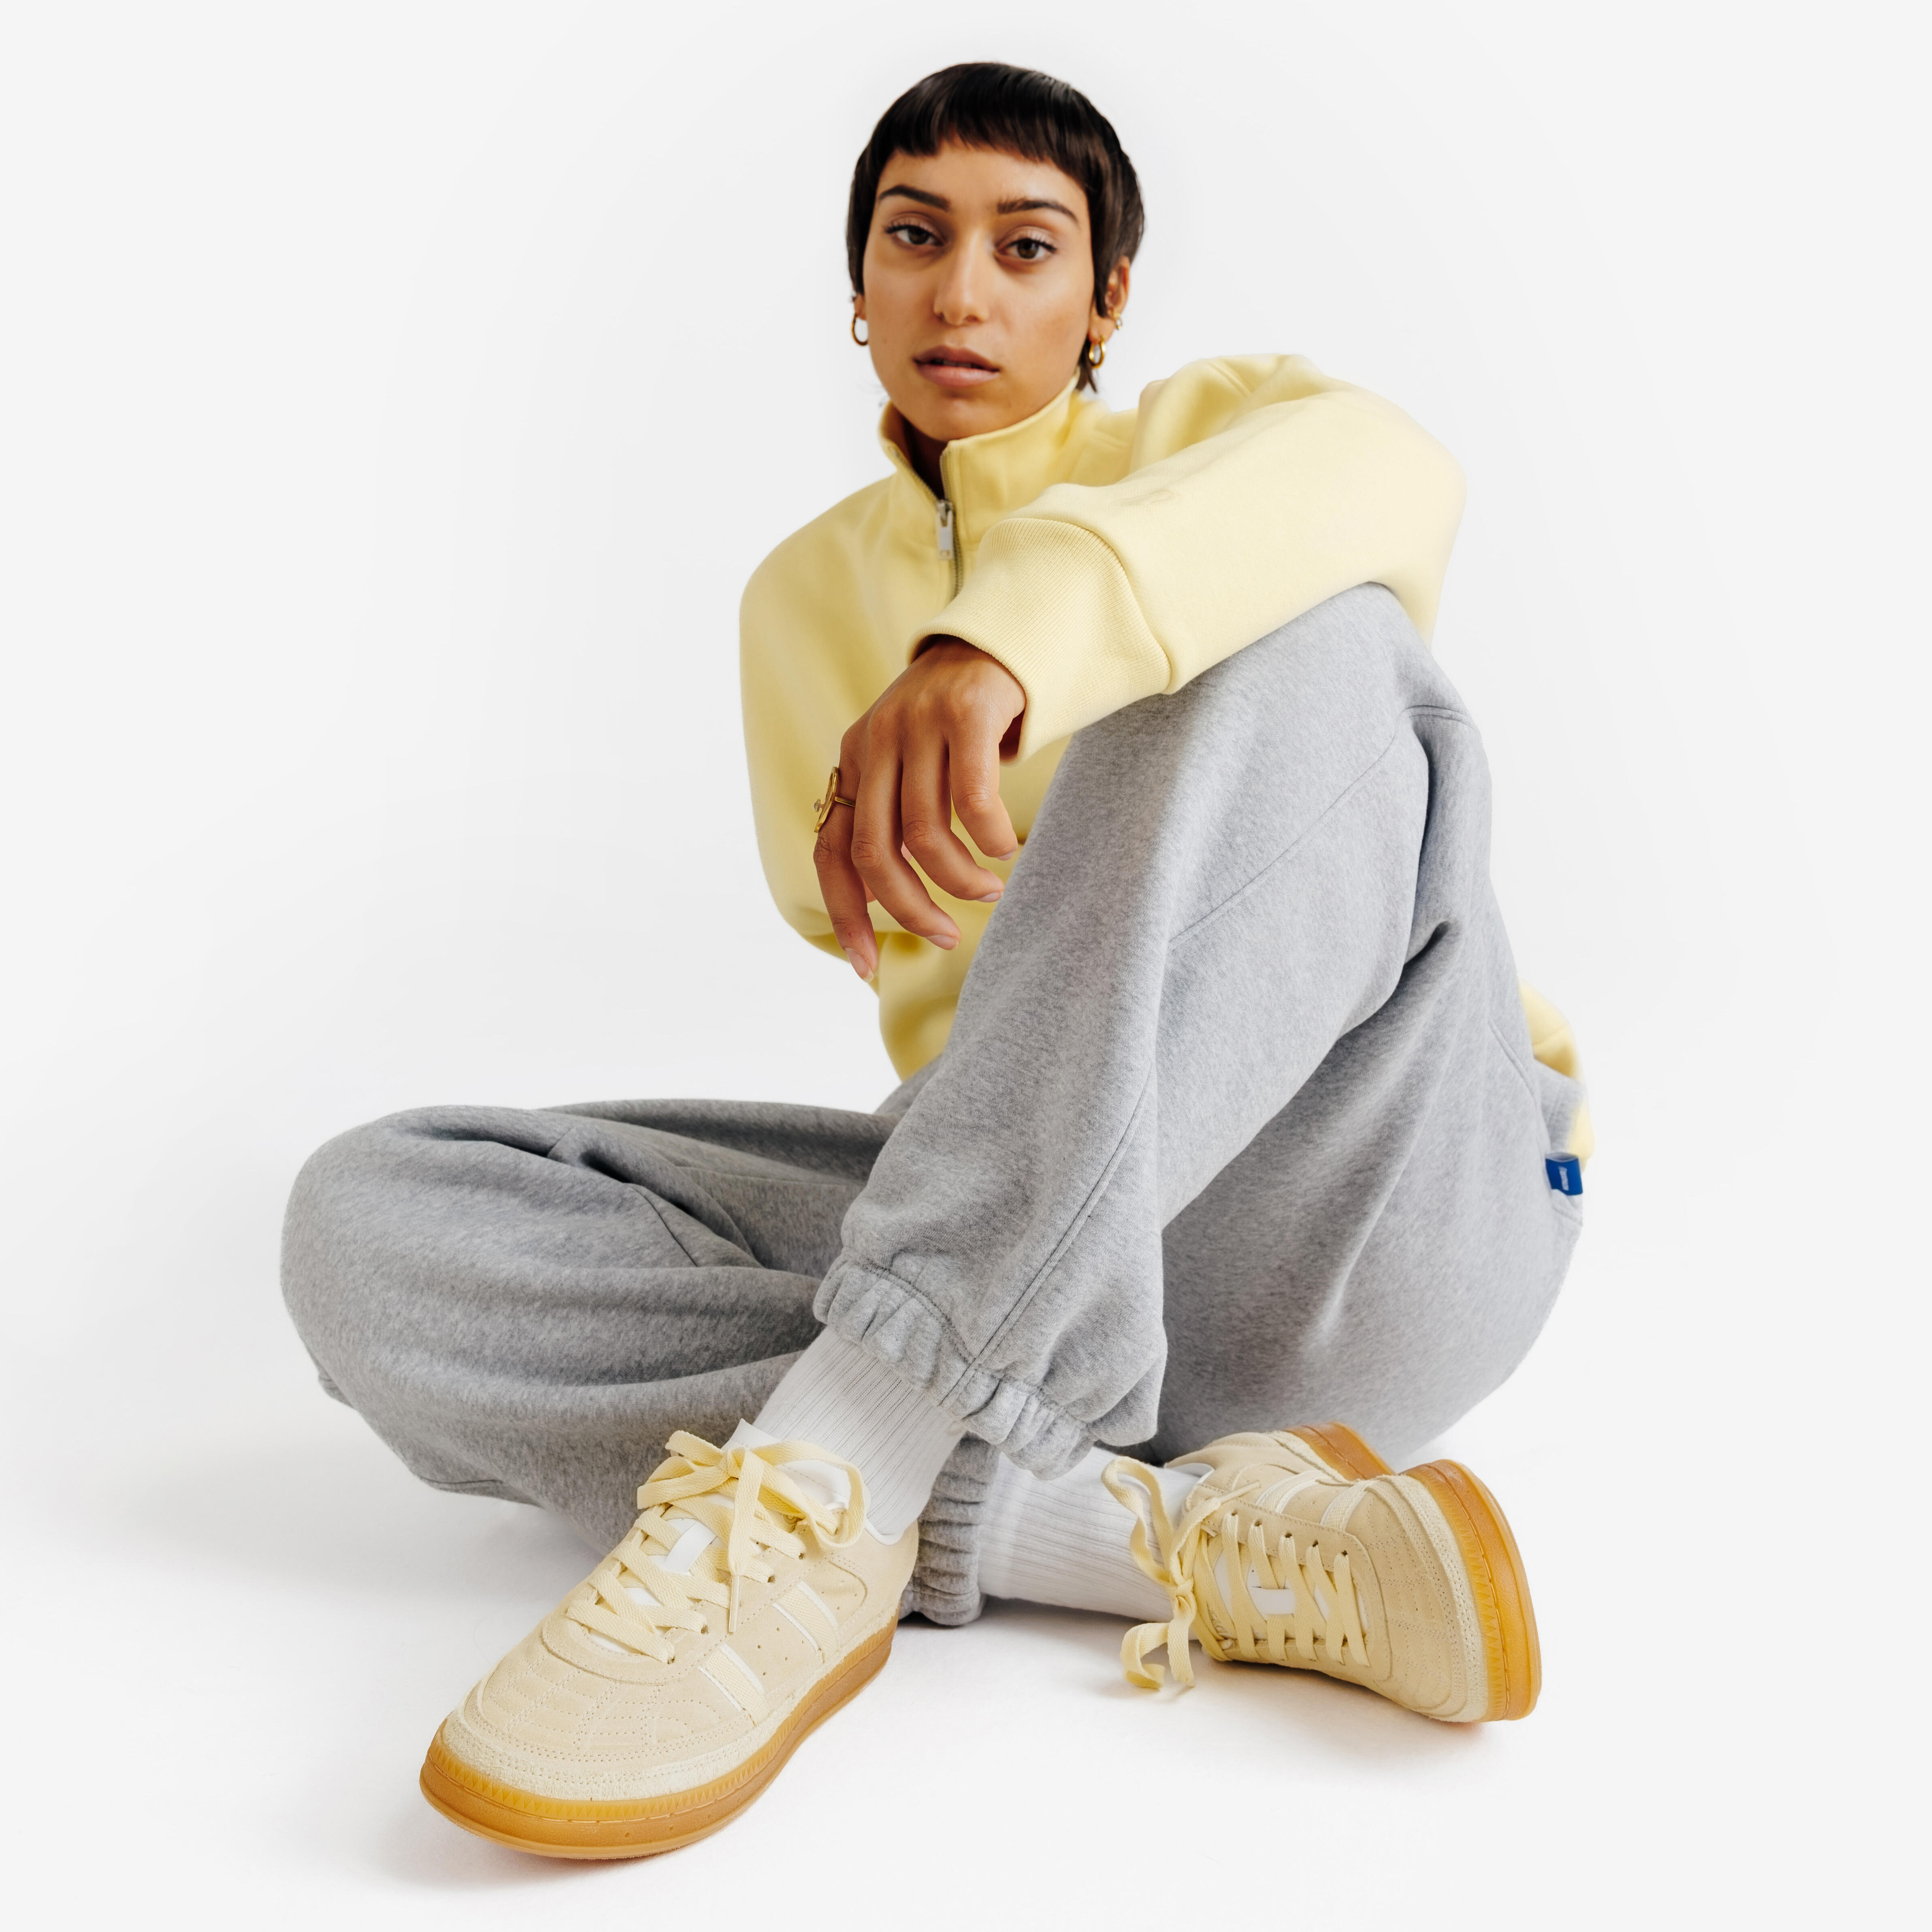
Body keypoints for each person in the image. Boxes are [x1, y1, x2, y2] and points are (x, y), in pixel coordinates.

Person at [283, 62, 1590, 1860]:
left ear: (1105, 299)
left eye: (1024, 247)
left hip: (1369, 1209)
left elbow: (1397, 473)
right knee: (372, 1216)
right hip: (1062, 1276)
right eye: (915, 237)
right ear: (859, 285)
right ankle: (1158, 1535)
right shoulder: (796, 602)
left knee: (1320, 648)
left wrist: (1003, 646)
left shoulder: (1234, 438)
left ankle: (839, 1464)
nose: (961, 291)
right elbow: (927, 992)